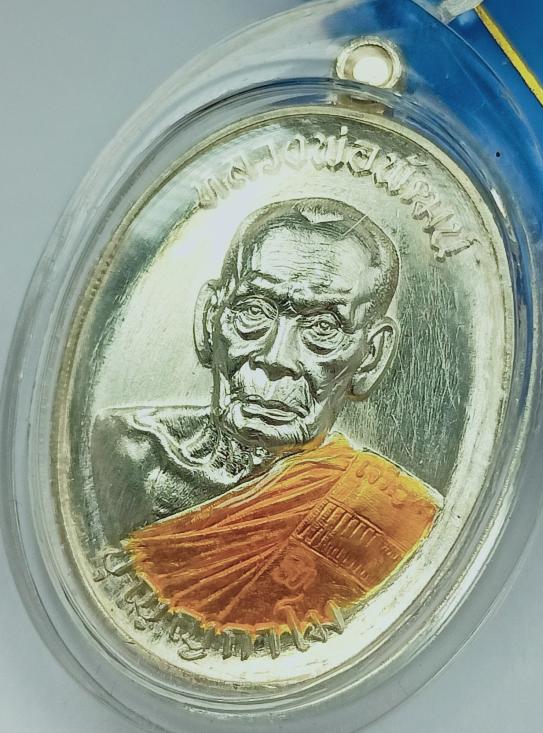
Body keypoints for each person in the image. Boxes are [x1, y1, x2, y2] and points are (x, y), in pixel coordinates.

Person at [92, 197, 441, 641]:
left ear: (371, 356)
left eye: (322, 328)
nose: (277, 358)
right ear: (210, 319)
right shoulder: (119, 451)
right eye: (254, 312)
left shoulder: (392, 514)